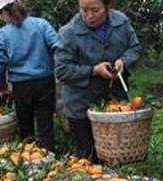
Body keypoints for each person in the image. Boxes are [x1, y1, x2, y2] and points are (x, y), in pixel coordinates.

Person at [54, 0, 141, 160]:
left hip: (115, 100)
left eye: (95, 10)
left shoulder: (121, 22)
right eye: (84, 10)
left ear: (107, 7)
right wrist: (93, 70)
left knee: (118, 153)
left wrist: (123, 61)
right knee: (88, 156)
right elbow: (61, 70)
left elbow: (134, 47)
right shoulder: (69, 32)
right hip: (81, 105)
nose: (89, 16)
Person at [0, 0, 59, 151]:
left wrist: (1, 86)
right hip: (45, 81)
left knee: (25, 125)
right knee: (45, 123)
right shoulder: (41, 24)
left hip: (21, 85)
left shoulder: (3, 34)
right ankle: (49, 156)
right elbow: (57, 46)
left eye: (1, 14)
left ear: (5, 12)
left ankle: (29, 158)